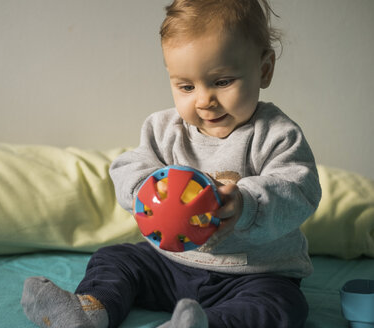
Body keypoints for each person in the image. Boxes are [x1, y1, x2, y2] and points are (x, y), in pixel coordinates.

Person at [21, 0, 322, 327]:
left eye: (222, 81)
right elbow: (128, 166)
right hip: (169, 263)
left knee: (283, 305)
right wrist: (144, 188)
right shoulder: (163, 129)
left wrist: (245, 203)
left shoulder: (277, 134)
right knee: (115, 259)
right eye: (186, 86)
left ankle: (203, 324)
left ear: (264, 70)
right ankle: (90, 310)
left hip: (253, 273)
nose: (204, 99)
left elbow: (299, 191)